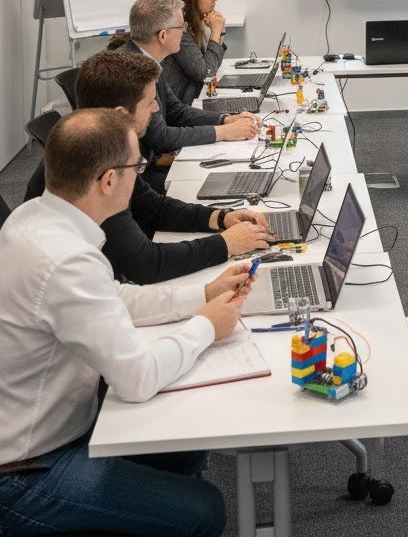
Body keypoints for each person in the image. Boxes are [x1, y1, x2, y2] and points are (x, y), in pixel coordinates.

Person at [0, 108, 256, 536]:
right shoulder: (67, 260)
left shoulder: (34, 218)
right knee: (203, 510)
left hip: (50, 428)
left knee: (186, 443)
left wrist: (202, 295)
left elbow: (113, 297)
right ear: (107, 180)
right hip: (25, 471)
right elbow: (137, 378)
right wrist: (207, 326)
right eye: (137, 168)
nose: (140, 175)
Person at [24, 51, 275, 284]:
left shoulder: (103, 144)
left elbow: (152, 207)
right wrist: (225, 244)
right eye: (150, 103)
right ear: (121, 114)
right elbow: (145, 264)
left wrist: (220, 217)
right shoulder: (94, 162)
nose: (156, 108)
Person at [117, 0, 258, 175]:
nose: (184, 31)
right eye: (181, 26)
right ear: (162, 35)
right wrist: (224, 132)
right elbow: (161, 137)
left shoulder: (148, 60)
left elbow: (176, 111)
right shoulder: (131, 70)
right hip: (137, 175)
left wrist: (225, 119)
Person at [163, 0, 227, 105]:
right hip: (179, 108)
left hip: (191, 99)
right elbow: (206, 74)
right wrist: (215, 32)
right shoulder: (179, 29)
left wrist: (220, 31)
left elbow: (213, 66)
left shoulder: (195, 23)